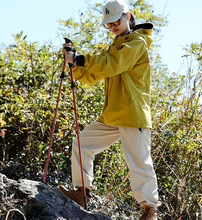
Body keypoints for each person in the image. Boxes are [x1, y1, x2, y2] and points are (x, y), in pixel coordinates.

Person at [59, 0, 160, 219]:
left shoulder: (138, 42)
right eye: (109, 23)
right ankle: (81, 193)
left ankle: (149, 210)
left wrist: (81, 58)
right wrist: (75, 64)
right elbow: (97, 73)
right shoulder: (115, 45)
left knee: (139, 163)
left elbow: (114, 63)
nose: (113, 26)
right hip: (112, 115)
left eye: (116, 20)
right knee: (81, 143)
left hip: (133, 114)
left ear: (127, 16)